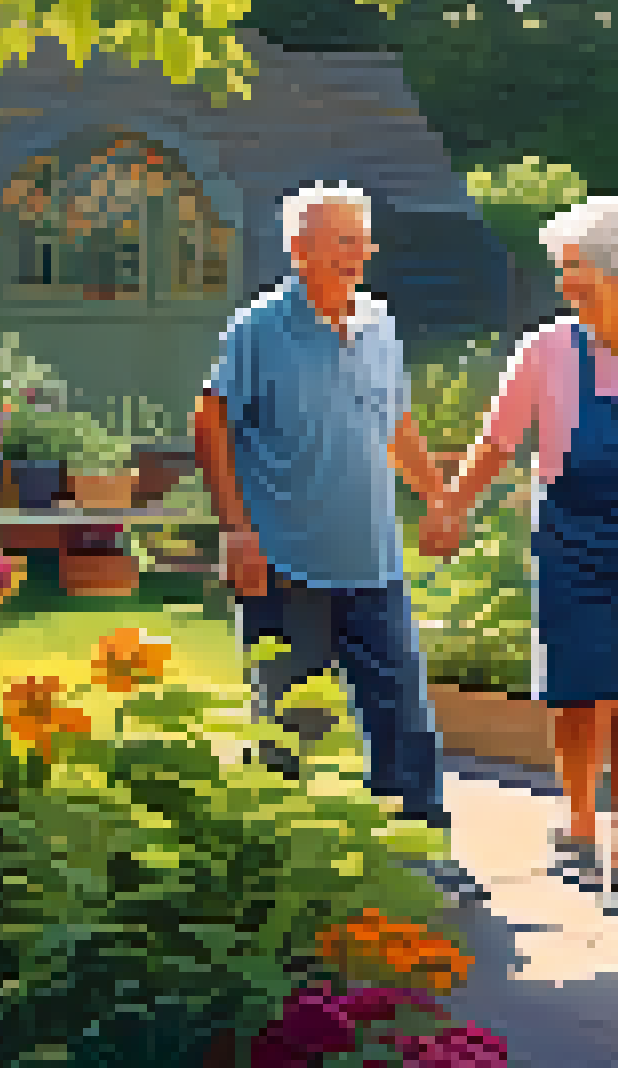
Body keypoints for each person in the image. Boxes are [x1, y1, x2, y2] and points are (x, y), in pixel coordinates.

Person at [424, 196, 618, 921]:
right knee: (579, 693)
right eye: (563, 270)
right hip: (573, 540)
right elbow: (498, 443)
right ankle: (578, 821)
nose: (565, 283)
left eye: (576, 270)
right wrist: (454, 507)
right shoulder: (546, 351)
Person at [191, 182, 485, 906]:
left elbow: (398, 427)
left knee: (403, 715)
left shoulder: (380, 322)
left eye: (364, 239)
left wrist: (441, 497)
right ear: (300, 250)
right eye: (345, 240)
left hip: (373, 563)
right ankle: (275, 869)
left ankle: (422, 853)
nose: (362, 253)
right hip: (285, 563)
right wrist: (235, 531)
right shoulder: (259, 327)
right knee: (291, 718)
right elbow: (210, 422)